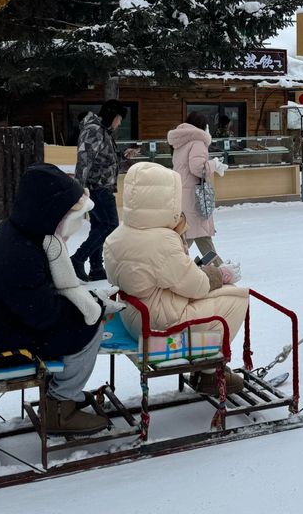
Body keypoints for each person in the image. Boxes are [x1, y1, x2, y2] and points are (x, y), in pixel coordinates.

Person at [0, 164, 106, 435]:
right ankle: (60, 408)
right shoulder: (18, 254)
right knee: (89, 328)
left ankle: (64, 391)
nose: (74, 227)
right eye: (71, 217)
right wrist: (87, 309)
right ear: (50, 214)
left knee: (80, 321)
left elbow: (40, 299)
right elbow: (45, 316)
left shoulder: (23, 236)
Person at [103, 162, 248, 393]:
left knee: (220, 295)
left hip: (134, 315)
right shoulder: (162, 240)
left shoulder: (118, 235)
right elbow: (198, 287)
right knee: (237, 298)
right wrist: (219, 274)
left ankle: (205, 366)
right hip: (161, 322)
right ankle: (209, 371)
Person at [71, 100, 131, 281]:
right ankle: (78, 259)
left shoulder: (102, 131)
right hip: (97, 187)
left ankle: (96, 268)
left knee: (99, 225)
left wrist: (122, 155)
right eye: (119, 118)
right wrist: (79, 188)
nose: (119, 123)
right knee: (109, 225)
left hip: (101, 185)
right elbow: (84, 160)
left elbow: (103, 158)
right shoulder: (94, 130)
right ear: (111, 115)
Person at [167, 111, 228, 266]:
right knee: (192, 234)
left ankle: (219, 267)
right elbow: (198, 168)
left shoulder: (181, 142)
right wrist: (214, 164)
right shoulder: (198, 142)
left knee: (196, 234)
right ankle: (173, 265)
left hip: (182, 193)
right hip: (195, 196)